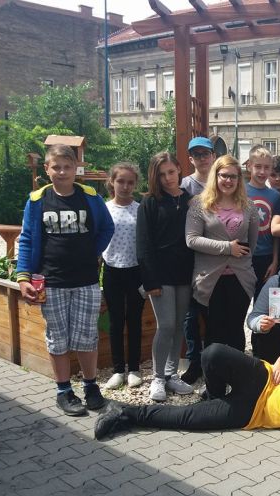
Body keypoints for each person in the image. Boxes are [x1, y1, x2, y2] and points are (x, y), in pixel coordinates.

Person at [94, 338, 280, 447]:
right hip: (262, 379)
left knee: (186, 418)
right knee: (212, 353)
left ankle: (125, 412)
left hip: (250, 414)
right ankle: (214, 395)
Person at [16, 144, 114, 416]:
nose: (62, 172)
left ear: (75, 169)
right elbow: (26, 239)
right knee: (57, 338)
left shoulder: (90, 197)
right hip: (51, 281)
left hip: (86, 281)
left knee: (87, 337)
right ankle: (63, 391)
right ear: (46, 169)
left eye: (67, 167)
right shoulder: (37, 200)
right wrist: (23, 276)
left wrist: (92, 251)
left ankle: (91, 387)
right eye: (56, 167)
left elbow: (107, 227)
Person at [136, 152, 195, 402]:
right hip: (160, 274)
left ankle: (171, 374)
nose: (168, 178)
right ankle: (158, 377)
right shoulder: (150, 202)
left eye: (171, 172)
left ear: (179, 169)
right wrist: (150, 280)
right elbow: (143, 244)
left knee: (179, 324)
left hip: (185, 272)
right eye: (161, 174)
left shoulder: (190, 200)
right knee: (166, 325)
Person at [186, 155, 259, 351]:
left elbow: (252, 243)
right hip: (210, 278)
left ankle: (237, 370)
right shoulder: (199, 204)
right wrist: (227, 248)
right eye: (224, 175)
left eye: (233, 176)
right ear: (215, 176)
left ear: (239, 179)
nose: (228, 180)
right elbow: (191, 239)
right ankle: (214, 371)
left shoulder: (249, 206)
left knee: (235, 330)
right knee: (214, 332)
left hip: (240, 278)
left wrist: (238, 256)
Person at [101, 162, 145, 390]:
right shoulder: (104, 209)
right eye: (120, 181)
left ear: (135, 184)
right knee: (116, 321)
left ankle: (134, 368)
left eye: (130, 182)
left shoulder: (141, 209)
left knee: (135, 320)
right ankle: (118, 369)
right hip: (112, 270)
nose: (125, 186)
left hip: (136, 271)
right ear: (112, 182)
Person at [179, 137, 216, 385]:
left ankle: (212, 361)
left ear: (213, 156)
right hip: (190, 256)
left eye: (206, 154)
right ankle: (194, 361)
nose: (202, 158)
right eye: (197, 155)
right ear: (191, 158)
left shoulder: (222, 182)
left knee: (213, 313)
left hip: (215, 258)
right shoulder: (185, 186)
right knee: (190, 315)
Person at [246, 145, 280, 300]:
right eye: (258, 166)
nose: (262, 171)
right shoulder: (240, 192)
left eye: (266, 167)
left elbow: (276, 233)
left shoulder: (275, 196)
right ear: (249, 166)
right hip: (245, 256)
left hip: (267, 257)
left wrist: (275, 261)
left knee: (264, 303)